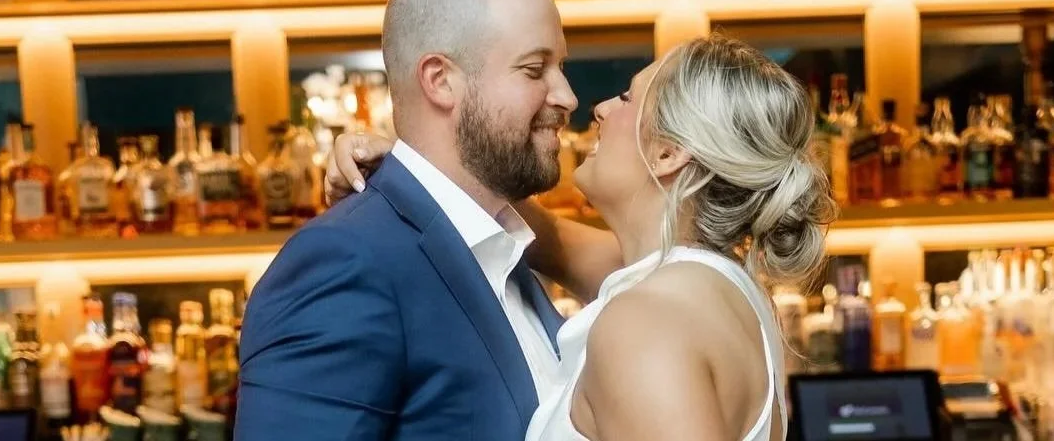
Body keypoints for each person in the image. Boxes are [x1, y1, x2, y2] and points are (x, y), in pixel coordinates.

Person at [326, 34, 837, 441]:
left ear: (668, 154)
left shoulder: (647, 322)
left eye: (628, 98)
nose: (600, 108)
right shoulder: (711, 286)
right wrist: (413, 168)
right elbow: (547, 240)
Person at [236, 0, 578, 440]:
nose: (567, 96)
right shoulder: (343, 262)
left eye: (559, 67)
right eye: (534, 68)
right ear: (441, 81)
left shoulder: (501, 248)